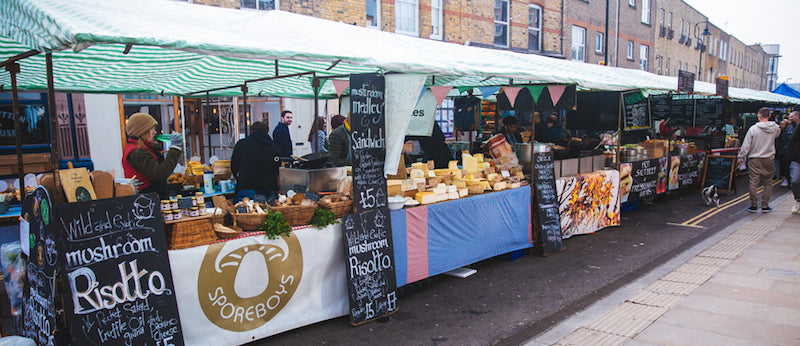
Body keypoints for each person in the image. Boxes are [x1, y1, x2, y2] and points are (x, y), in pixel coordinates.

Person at [121, 112, 182, 199]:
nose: (155, 132)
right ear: (142, 131)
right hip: (148, 199)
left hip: (152, 197)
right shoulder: (137, 152)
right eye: (151, 129)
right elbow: (160, 173)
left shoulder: (143, 148)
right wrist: (175, 148)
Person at [737, 107, 781, 213]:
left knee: (753, 181)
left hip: (755, 158)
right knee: (768, 182)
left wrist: (741, 157)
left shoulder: (753, 129)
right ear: (769, 116)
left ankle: (754, 205)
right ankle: (765, 205)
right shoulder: (775, 128)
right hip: (769, 158)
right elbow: (777, 135)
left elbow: (746, 145)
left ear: (759, 116)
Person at [231, 121, 282, 202]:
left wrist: (239, 178)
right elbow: (277, 167)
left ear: (252, 131)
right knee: (269, 210)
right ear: (267, 132)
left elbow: (234, 166)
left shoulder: (242, 144)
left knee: (246, 209)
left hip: (247, 187)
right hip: (268, 188)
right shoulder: (274, 147)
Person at [787, 111, 800, 213]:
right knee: (795, 180)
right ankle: (798, 201)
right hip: (797, 159)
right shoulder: (797, 128)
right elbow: (792, 142)